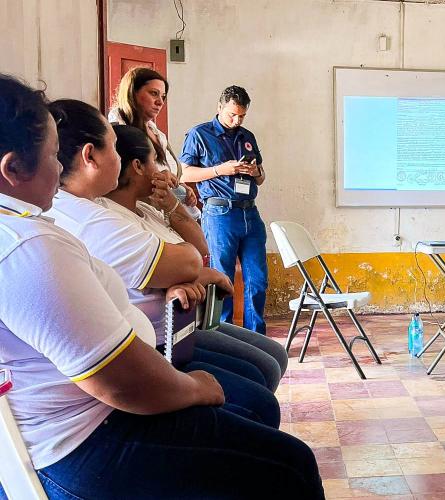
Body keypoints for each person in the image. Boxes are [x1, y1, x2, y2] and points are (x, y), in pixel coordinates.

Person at [0, 74, 323, 499]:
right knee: (291, 465)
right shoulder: (29, 247)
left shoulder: (36, 226)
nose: (60, 170)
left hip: (95, 411)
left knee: (259, 393)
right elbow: (122, 383)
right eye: (53, 156)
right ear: (12, 169)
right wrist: (196, 388)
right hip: (90, 435)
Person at [46, 99, 287, 392]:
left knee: (269, 349)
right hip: (160, 336)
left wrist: (175, 208)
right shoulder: (97, 219)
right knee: (258, 386)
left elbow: (198, 251)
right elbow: (192, 259)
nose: (164, 172)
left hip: (178, 323)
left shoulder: (146, 207)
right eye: (155, 163)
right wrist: (190, 273)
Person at [180, 86, 268, 334]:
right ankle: (224, 335)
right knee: (222, 279)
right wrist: (220, 169)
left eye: (241, 116)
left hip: (249, 212)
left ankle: (255, 337)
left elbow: (261, 178)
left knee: (257, 279)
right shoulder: (199, 134)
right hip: (220, 213)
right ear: (219, 108)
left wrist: (256, 172)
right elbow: (185, 173)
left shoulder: (247, 136)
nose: (236, 120)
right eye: (231, 114)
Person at [108, 67, 200, 218]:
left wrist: (180, 188)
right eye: (153, 93)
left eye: (163, 96)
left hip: (167, 214)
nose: (160, 102)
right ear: (133, 93)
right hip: (138, 215)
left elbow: (169, 171)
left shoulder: (157, 133)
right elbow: (121, 182)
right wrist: (158, 177)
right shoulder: (117, 132)